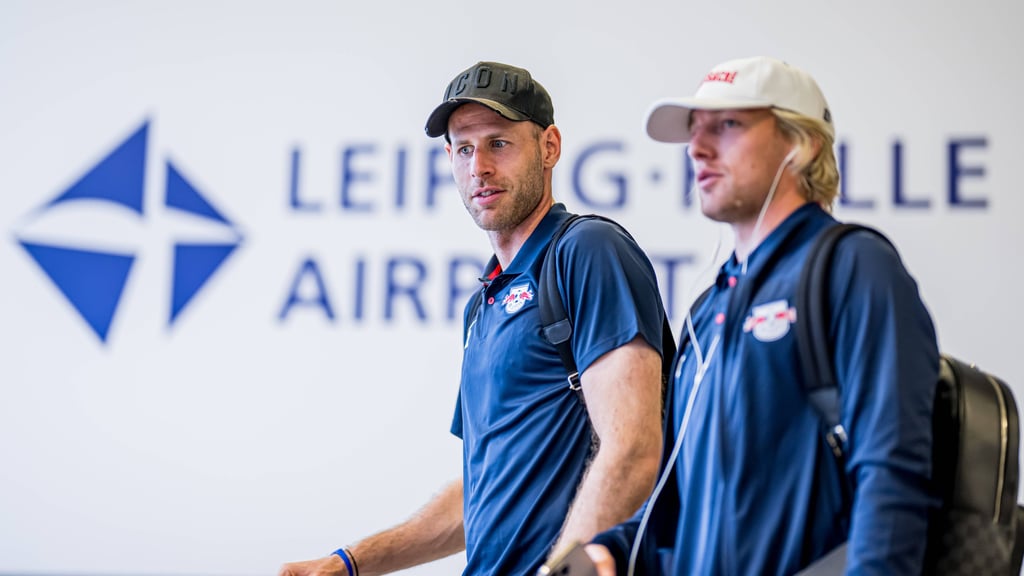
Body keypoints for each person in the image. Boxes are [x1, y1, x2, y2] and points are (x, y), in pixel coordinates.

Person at [279, 61, 669, 575]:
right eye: (464, 149)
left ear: (549, 147)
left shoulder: (587, 250)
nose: (478, 166)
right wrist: (348, 564)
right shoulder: (484, 302)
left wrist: (561, 572)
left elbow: (633, 449)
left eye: (499, 143)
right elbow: (484, 492)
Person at [586, 56, 940, 575]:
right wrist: (611, 551)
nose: (698, 148)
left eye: (727, 126)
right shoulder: (709, 310)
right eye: (694, 131)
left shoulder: (854, 267)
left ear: (803, 144)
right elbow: (679, 509)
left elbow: (893, 479)